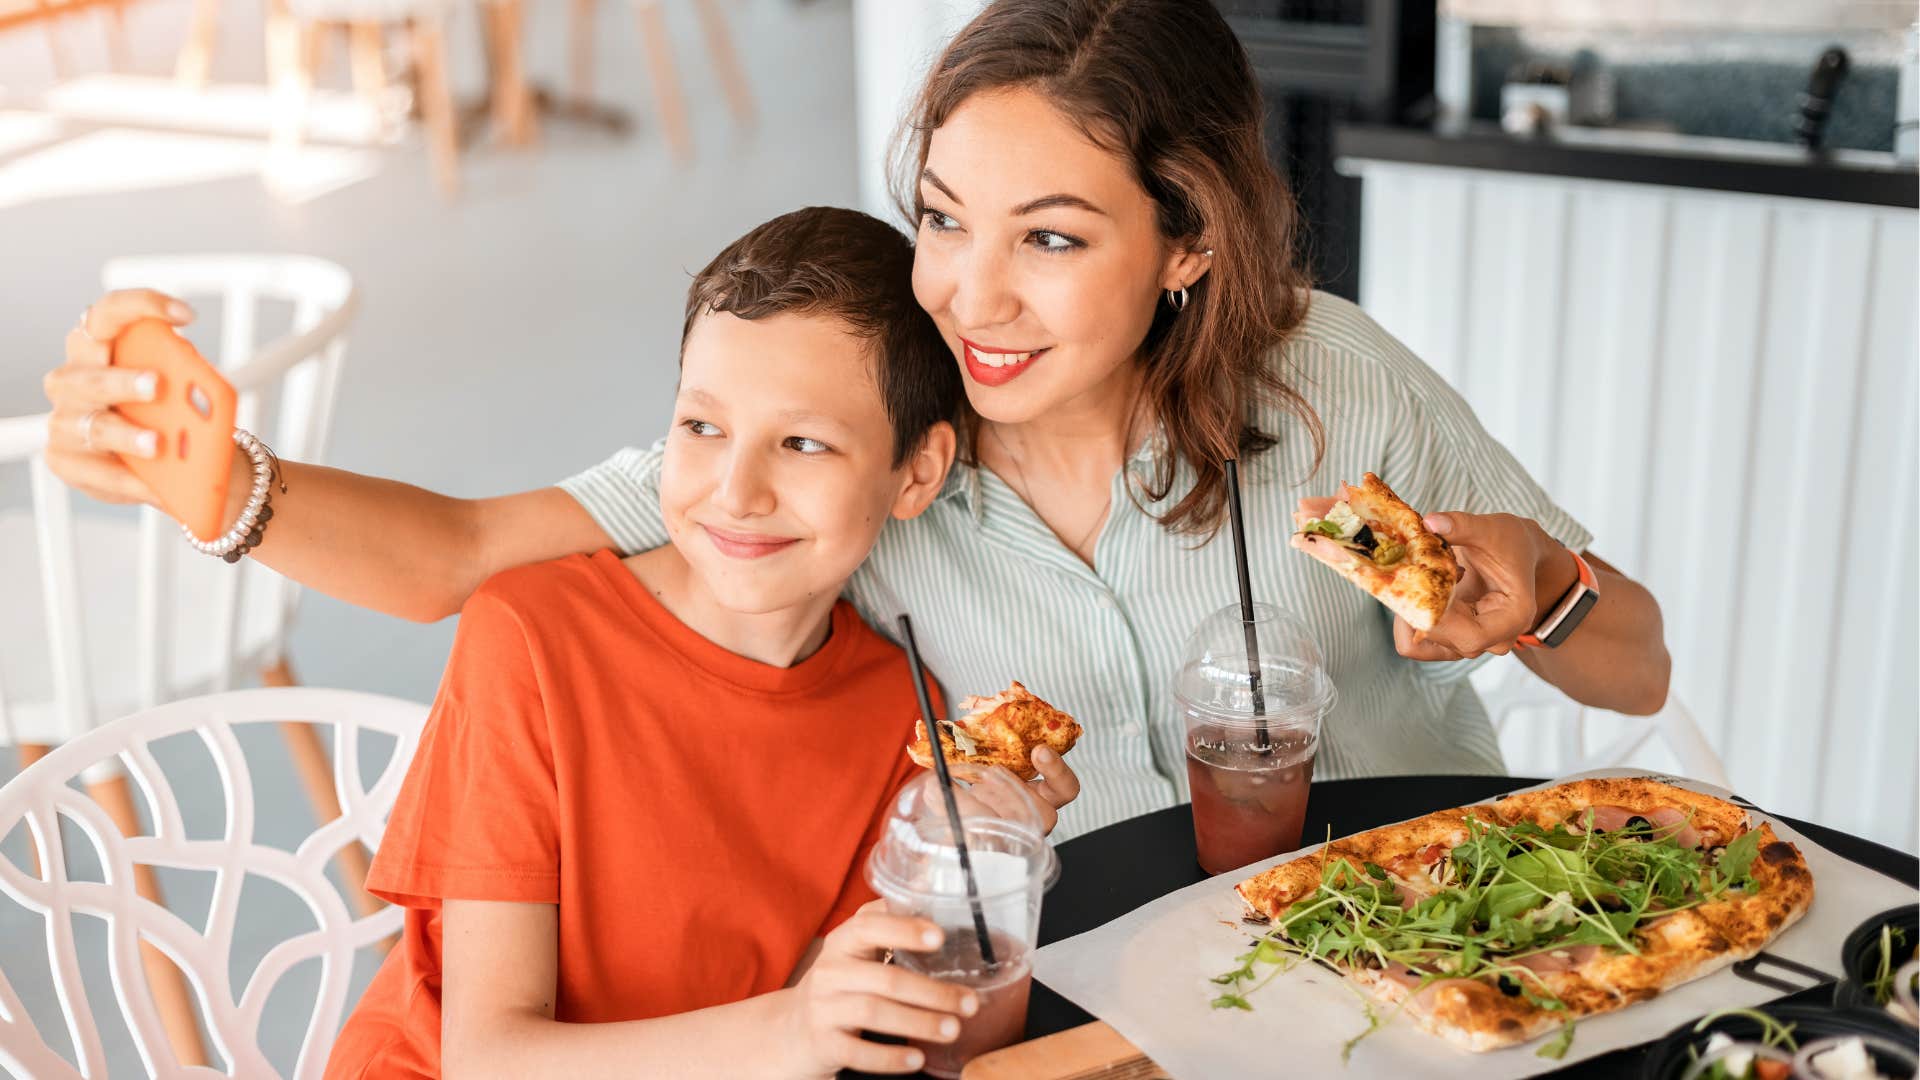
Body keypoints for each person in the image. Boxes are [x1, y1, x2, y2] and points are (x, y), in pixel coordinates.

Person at [44, 0, 1667, 841]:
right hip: (1110, 1005)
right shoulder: (872, 419)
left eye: (1052, 237)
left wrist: (1549, 596)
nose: (970, 295)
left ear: (1190, 246)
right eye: (946, 216)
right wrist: (221, 484)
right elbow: (465, 553)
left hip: (1430, 911)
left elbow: (1638, 665)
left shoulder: (1334, 378)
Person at [321, 207, 1077, 1079]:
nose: (736, 490)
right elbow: (487, 1057)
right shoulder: (528, 635)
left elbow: (815, 1005)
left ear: (916, 473)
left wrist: (949, 861)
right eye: (702, 427)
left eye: (802, 443)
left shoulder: (904, 720)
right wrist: (795, 1029)